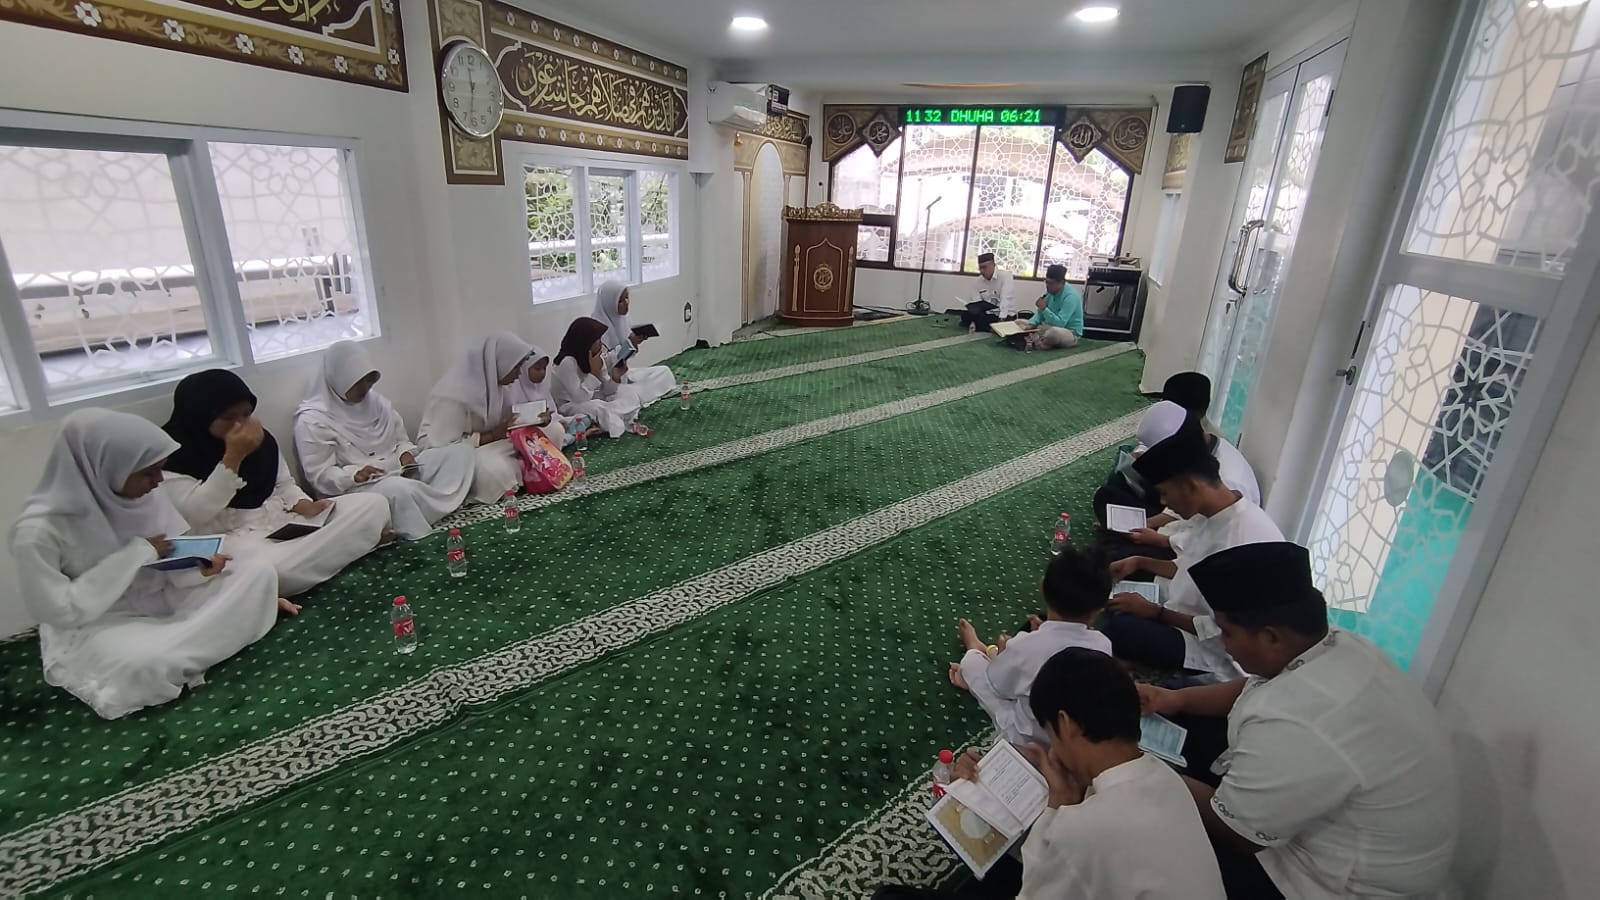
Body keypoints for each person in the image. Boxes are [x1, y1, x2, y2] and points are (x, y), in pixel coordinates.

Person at [1139, 542, 1458, 900]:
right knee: (1180, 712)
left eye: (1227, 632)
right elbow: (1257, 684)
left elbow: (1236, 835)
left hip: (1326, 884)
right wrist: (1174, 699)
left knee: (1148, 844)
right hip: (1335, 825)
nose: (1224, 644)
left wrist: (1145, 770)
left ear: (1271, 637)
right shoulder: (1337, 646)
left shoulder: (1301, 719)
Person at [875, 649, 1225, 900]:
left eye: (1051, 734)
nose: (1053, 751)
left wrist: (974, 802)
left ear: (1065, 724)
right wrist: (1060, 801)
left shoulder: (1079, 832)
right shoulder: (1168, 778)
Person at [10, 409, 282, 719]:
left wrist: (199, 569)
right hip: (101, 623)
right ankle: (212, 636)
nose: (158, 481)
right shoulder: (39, 532)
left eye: (159, 470)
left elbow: (169, 558)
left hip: (164, 596)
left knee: (258, 572)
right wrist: (135, 555)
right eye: (148, 473)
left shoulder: (147, 495)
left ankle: (194, 644)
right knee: (144, 662)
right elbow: (59, 611)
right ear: (105, 467)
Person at [161, 369, 391, 603]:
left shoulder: (261, 439)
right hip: (237, 539)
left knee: (372, 504)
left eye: (247, 414)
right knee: (269, 570)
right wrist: (234, 456)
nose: (240, 425)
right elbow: (198, 511)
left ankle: (343, 549)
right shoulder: (173, 458)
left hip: (281, 522)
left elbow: (283, 484)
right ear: (200, 417)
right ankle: (357, 544)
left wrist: (305, 505)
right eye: (229, 418)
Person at [1099, 416, 1282, 681]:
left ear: (1191, 486)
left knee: (1119, 628)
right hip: (1178, 606)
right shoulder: (1215, 514)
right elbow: (1187, 569)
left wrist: (1156, 613)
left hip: (1212, 650)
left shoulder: (1241, 540)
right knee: (1113, 590)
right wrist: (1138, 562)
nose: (1164, 503)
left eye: (1165, 493)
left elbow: (1224, 631)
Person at [294, 341, 476, 540]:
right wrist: (354, 475)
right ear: (339, 380)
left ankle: (427, 508)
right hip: (355, 488)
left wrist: (405, 455)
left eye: (369, 381)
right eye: (358, 383)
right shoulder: (313, 420)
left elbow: (401, 441)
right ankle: (422, 518)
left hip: (396, 470)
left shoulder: (377, 404)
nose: (365, 388)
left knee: (459, 453)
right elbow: (320, 477)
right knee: (398, 490)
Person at [948, 546, 1113, 745]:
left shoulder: (1026, 645)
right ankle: (992, 652)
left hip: (1027, 737)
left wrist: (1008, 652)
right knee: (1017, 665)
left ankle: (975, 649)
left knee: (972, 664)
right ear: (1098, 611)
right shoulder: (1103, 644)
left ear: (1042, 585)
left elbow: (999, 688)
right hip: (1072, 742)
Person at [417, 333, 538, 504]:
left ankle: (522, 472)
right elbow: (442, 446)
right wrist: (491, 436)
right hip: (456, 455)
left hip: (490, 446)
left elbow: (508, 421)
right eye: (516, 366)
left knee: (549, 432)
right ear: (499, 362)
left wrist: (536, 418)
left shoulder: (500, 386)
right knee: (495, 470)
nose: (519, 373)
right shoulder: (453, 397)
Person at [549, 316, 652, 439]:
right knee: (598, 407)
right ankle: (616, 417)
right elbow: (580, 398)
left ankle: (611, 418)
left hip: (592, 398)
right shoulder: (567, 362)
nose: (601, 344)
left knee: (627, 391)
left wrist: (615, 377)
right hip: (570, 406)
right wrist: (593, 374)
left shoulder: (594, 356)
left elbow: (608, 390)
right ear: (586, 342)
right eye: (597, 340)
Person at [593, 280, 677, 405]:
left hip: (625, 374)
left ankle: (637, 395)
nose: (626, 303)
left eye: (627, 298)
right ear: (609, 303)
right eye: (621, 301)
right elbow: (604, 363)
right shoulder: (596, 328)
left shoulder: (624, 319)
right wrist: (629, 343)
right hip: (609, 383)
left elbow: (626, 357)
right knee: (627, 396)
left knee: (664, 372)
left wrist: (634, 343)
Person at [505, 344, 598, 450]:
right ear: (524, 369)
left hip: (550, 426)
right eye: (537, 369)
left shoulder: (542, 387)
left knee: (582, 418)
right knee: (554, 431)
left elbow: (552, 412)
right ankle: (572, 437)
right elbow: (516, 422)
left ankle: (569, 437)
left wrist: (559, 420)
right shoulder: (514, 390)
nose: (542, 373)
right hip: (529, 431)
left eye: (544, 369)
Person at [1023, 264, 1084, 350]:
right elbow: (1039, 314)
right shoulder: (1049, 293)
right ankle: (1040, 341)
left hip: (1068, 332)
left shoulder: (1071, 297)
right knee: (1020, 323)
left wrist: (1044, 309)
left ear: (1062, 283)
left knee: (1053, 333)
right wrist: (1031, 324)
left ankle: (1037, 339)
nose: (1047, 286)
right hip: (1048, 326)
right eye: (1046, 282)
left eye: (1051, 283)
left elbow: (1060, 324)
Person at [959, 252, 1018, 332]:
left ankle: (990, 327)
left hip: (1005, 315)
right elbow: (976, 303)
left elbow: (1006, 299)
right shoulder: (977, 282)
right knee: (966, 315)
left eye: (984, 267)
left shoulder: (1006, 276)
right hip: (988, 315)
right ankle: (987, 327)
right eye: (980, 268)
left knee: (986, 321)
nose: (982, 271)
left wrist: (1001, 320)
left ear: (993, 265)